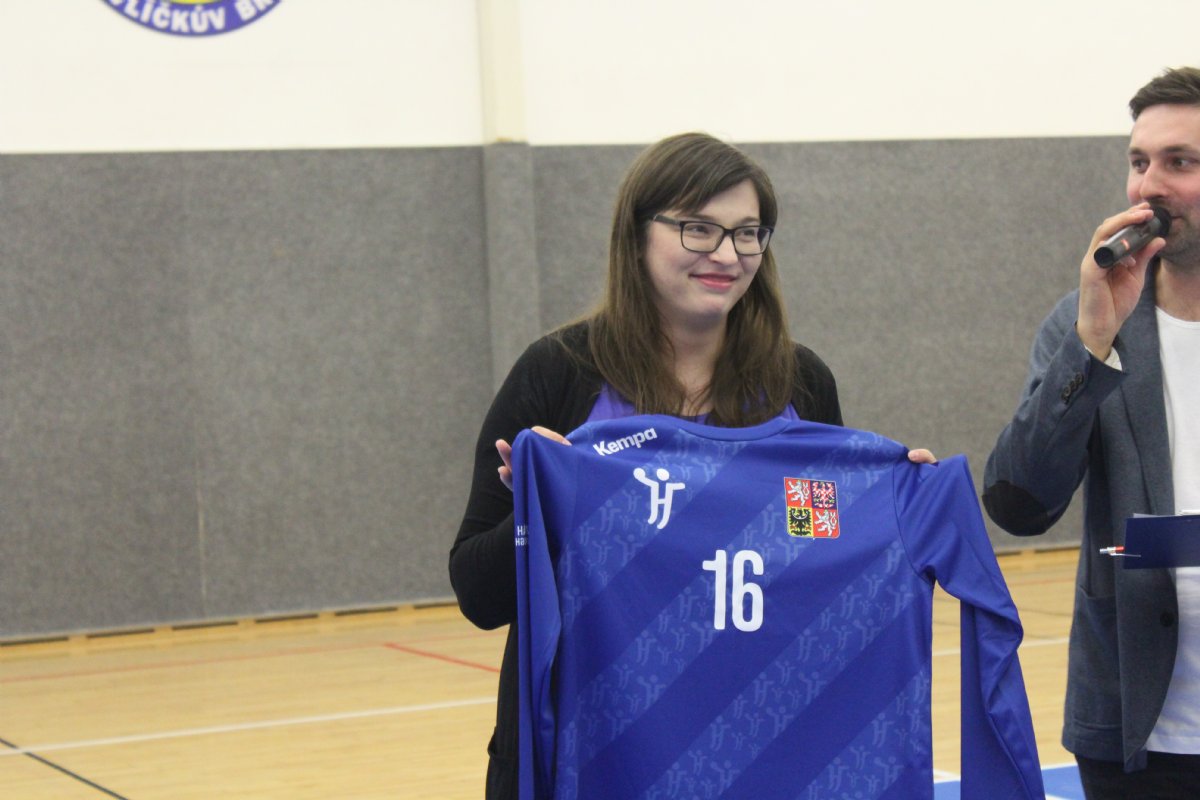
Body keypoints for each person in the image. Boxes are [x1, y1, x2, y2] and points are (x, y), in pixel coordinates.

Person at [449, 132, 931, 799]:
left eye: (747, 233)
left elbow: (811, 542)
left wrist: (883, 511)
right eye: (698, 229)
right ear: (637, 235)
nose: (727, 255)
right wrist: (541, 515)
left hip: (758, 748)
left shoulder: (799, 382)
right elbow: (478, 596)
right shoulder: (558, 373)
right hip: (589, 756)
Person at [983, 66, 1200, 798]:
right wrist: (1091, 347)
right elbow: (1018, 504)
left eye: (1180, 162)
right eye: (1139, 162)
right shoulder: (1087, 324)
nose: (1148, 187)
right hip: (1136, 733)